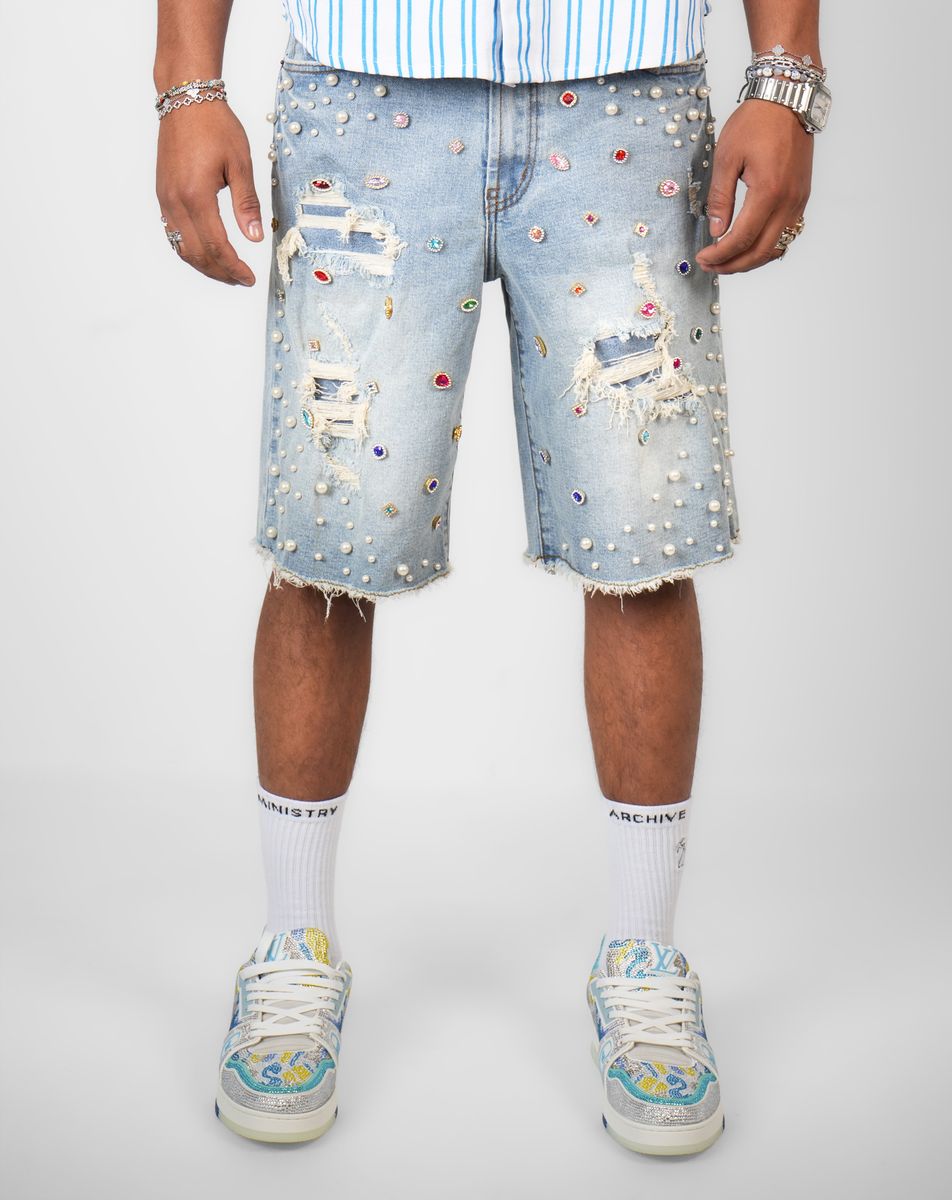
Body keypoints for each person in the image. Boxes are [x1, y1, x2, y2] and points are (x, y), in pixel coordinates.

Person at [154, 0, 827, 1155]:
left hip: (626, 97)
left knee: (641, 537)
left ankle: (643, 956)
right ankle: (294, 945)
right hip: (367, 99)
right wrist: (187, 84)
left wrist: (787, 75)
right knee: (328, 541)